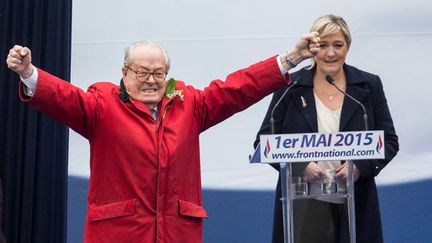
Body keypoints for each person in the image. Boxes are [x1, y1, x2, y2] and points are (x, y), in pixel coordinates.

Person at [6, 34, 320, 242]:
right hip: (120, 234)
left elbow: (237, 89)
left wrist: (290, 58)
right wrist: (29, 73)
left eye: (159, 72)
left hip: (177, 233)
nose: (152, 80)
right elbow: (63, 97)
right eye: (142, 72)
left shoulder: (190, 104)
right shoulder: (101, 105)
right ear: (125, 72)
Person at [254, 14, 399, 243]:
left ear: (347, 47)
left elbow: (389, 142)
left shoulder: (369, 86)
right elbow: (264, 142)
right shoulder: (290, 87)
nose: (330, 53)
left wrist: (359, 167)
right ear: (313, 48)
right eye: (323, 45)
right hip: (302, 204)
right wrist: (299, 165)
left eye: (338, 45)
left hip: (355, 203)